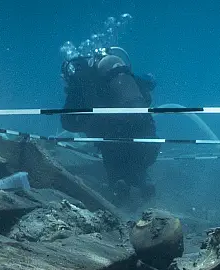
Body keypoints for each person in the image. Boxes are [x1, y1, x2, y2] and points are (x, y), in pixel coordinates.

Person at [60, 48, 160, 202]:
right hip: (148, 137)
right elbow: (147, 94)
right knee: (137, 165)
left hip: (113, 141)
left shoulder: (82, 80)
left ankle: (119, 193)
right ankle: (142, 182)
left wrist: (88, 125)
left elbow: (68, 123)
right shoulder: (122, 75)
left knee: (117, 170)